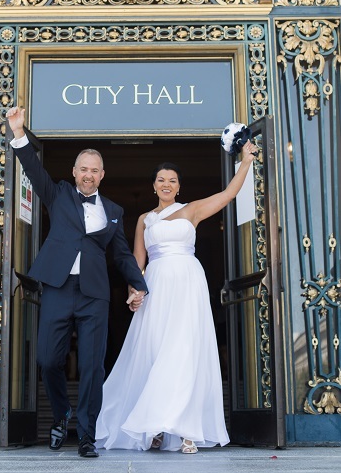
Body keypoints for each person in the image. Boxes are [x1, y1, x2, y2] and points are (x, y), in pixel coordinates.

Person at [95, 140, 258, 453]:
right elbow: (137, 262)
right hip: (156, 287)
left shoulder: (191, 210)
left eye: (172, 180)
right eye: (161, 180)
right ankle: (154, 426)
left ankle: (186, 431)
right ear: (153, 186)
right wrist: (134, 291)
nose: (166, 184)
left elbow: (228, 194)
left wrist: (246, 162)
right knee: (155, 353)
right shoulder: (144, 219)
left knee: (183, 352)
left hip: (186, 283)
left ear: (179, 186)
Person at [6, 106, 147, 458]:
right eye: (83, 169)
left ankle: (86, 434)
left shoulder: (114, 211)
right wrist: (18, 132)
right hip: (57, 287)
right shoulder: (58, 194)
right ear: (74, 172)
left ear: (102, 175)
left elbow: (123, 255)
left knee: (91, 365)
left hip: (94, 295)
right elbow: (34, 171)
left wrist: (139, 284)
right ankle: (61, 413)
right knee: (48, 360)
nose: (88, 175)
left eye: (94, 171)